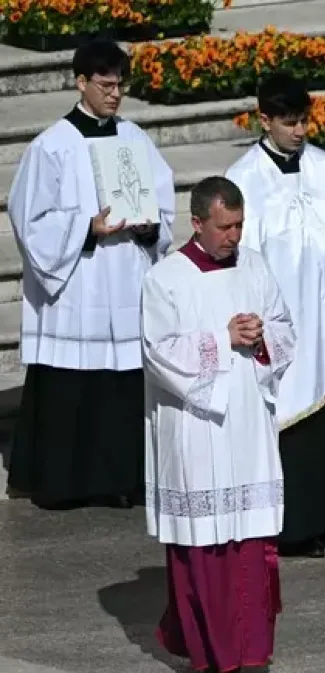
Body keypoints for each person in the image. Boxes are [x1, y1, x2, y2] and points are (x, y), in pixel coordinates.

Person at [144, 177, 295, 673]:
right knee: (205, 548)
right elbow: (159, 351)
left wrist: (262, 338)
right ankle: (216, 659)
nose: (234, 236)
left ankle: (249, 648)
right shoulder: (166, 278)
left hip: (248, 423)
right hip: (198, 428)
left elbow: (284, 327)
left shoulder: (254, 265)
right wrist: (221, 339)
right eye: (224, 226)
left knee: (250, 543)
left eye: (239, 225)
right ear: (198, 223)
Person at [7, 41, 174, 510]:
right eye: (105, 84)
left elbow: (163, 207)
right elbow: (29, 219)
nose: (115, 94)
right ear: (80, 82)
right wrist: (87, 228)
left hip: (123, 281)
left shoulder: (135, 140)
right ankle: (64, 485)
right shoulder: (52, 146)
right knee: (73, 389)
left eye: (120, 84)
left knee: (121, 388)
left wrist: (149, 226)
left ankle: (122, 479)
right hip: (78, 286)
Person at [225, 73, 325, 559]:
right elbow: (243, 251)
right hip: (287, 321)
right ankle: (295, 526)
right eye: (289, 122)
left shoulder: (322, 165)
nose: (299, 132)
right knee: (294, 419)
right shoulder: (244, 178)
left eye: (304, 122)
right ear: (265, 119)